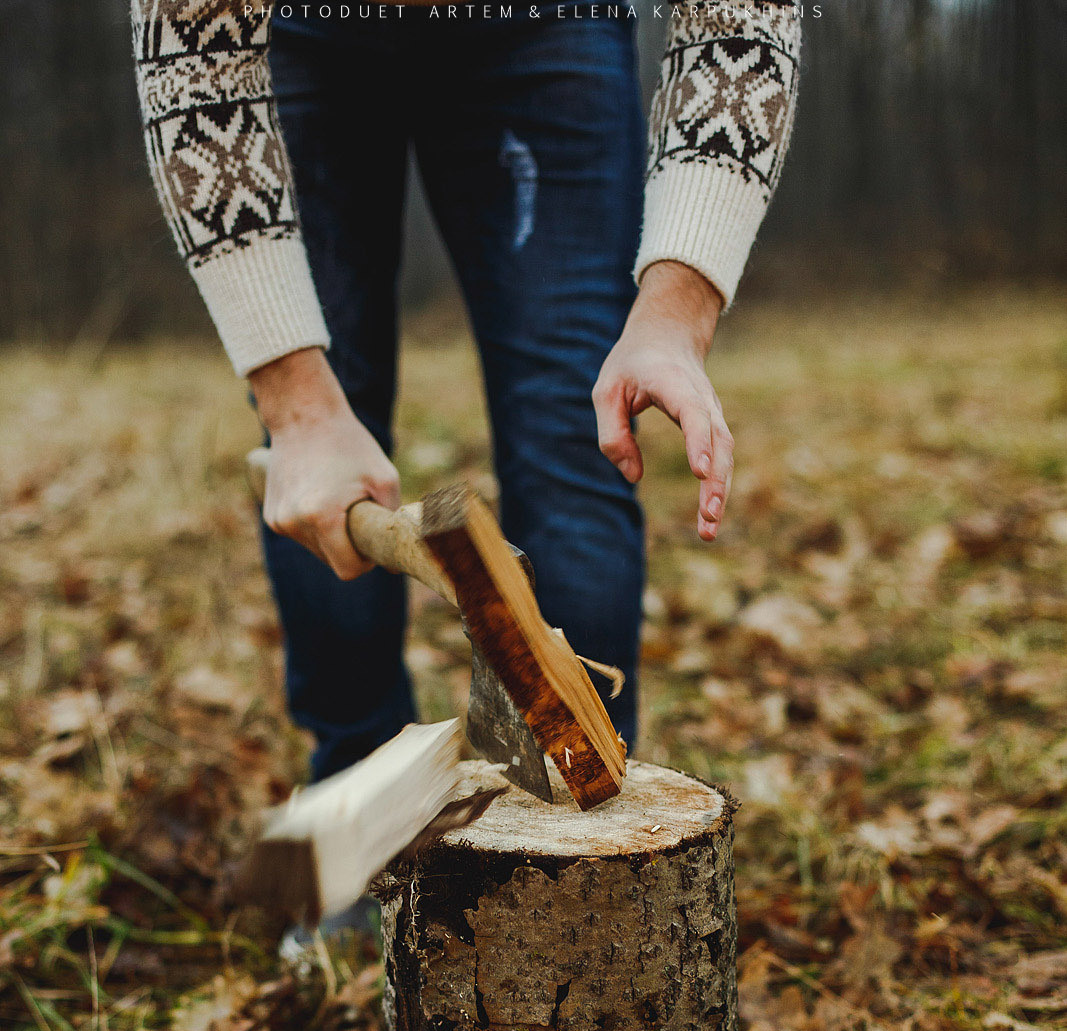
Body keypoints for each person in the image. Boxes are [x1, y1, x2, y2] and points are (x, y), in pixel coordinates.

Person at [131, 1, 800, 778]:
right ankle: (361, 800)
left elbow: (742, 18)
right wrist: (297, 404)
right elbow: (190, 56)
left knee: (579, 430)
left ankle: (581, 809)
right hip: (297, 30)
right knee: (324, 449)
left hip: (552, 18)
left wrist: (674, 315)